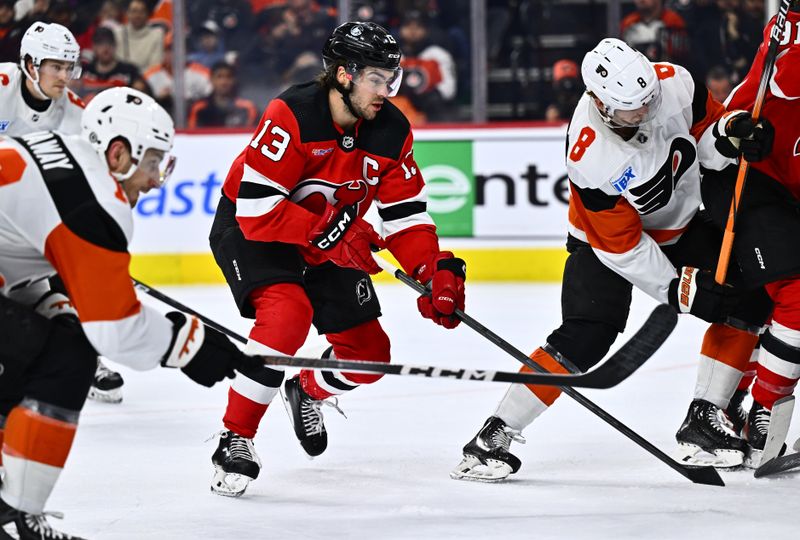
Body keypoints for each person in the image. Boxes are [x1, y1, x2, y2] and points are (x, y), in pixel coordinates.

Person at [450, 38, 774, 482]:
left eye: (647, 102)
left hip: (681, 222)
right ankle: (495, 434)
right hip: (605, 242)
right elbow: (621, 244)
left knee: (749, 297)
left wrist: (733, 132)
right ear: (600, 104)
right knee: (585, 336)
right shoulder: (590, 154)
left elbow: (708, 133)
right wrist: (681, 289)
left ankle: (706, 419)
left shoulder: (674, 83)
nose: (644, 113)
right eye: (630, 110)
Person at [207, 21, 467, 497]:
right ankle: (235, 438)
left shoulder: (390, 129)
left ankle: (307, 388)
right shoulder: (294, 112)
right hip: (254, 227)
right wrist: (332, 234)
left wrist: (433, 270)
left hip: (328, 232)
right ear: (344, 75)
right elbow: (260, 210)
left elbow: (405, 214)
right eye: (376, 78)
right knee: (288, 316)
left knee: (369, 356)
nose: (387, 90)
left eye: (393, 78)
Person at [0, 86, 264, 539]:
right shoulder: (92, 201)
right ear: (118, 153)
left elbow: (13, 257)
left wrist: (55, 305)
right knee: (68, 355)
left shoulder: (62, 153)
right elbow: (114, 330)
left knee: (50, 339)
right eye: (153, 162)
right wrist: (193, 346)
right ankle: (15, 521)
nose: (157, 179)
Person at [684, 1, 800, 467]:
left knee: (767, 304)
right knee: (795, 294)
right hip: (746, 170)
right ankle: (762, 410)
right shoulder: (789, 27)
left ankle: (729, 406)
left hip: (785, 183)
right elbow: (784, 79)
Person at [0, 21, 128, 404]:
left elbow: (87, 179)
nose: (64, 76)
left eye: (69, 67)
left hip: (23, 212)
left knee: (64, 269)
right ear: (29, 64)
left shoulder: (74, 114)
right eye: (55, 66)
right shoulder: (2, 86)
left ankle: (85, 354)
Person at [187, 61, 257, 128]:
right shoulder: (199, 108)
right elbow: (192, 135)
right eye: (219, 77)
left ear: (234, 80)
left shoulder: (247, 108)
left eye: (228, 77)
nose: (224, 82)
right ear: (211, 79)